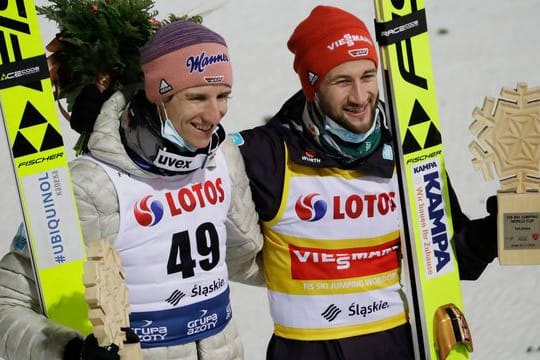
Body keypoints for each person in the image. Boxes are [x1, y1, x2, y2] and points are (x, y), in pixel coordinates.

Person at [230, 5, 498, 360]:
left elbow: (451, 257)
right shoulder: (267, 154)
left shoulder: (409, 153)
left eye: (367, 76)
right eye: (341, 81)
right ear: (312, 85)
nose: (359, 96)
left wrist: (505, 226)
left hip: (393, 348)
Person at [0, 20, 262, 360]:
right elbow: (8, 303)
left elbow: (248, 260)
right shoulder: (90, 186)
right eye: (197, 97)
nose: (215, 115)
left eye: (222, 96)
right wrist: (71, 353)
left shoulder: (221, 158)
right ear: (159, 95)